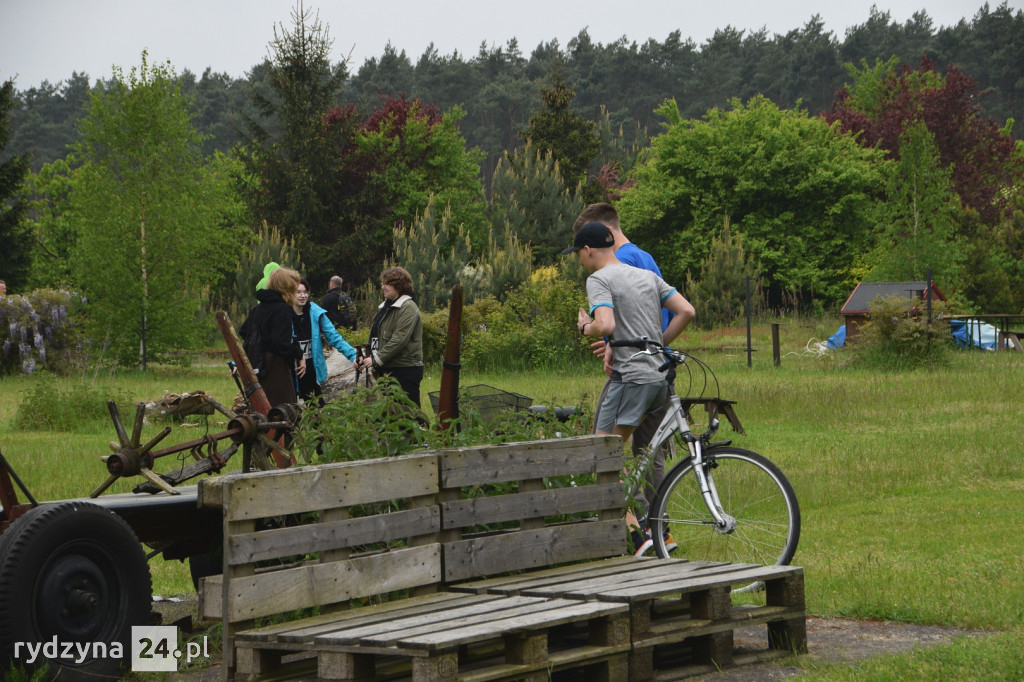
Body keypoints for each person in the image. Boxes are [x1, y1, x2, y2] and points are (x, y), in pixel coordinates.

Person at [563, 222, 695, 553]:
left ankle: (638, 536)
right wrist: (657, 345)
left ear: (588, 250)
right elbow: (686, 311)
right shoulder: (647, 277)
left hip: (630, 380)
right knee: (648, 456)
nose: (580, 261)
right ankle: (661, 531)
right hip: (659, 379)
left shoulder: (598, 279)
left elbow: (605, 324)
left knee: (601, 452)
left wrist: (584, 327)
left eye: (578, 254)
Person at [358, 266, 424, 407]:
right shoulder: (385, 307)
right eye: (382, 283)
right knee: (389, 416)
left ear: (398, 285)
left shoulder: (408, 307)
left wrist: (376, 360)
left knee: (409, 416)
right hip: (387, 370)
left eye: (386, 283)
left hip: (405, 370)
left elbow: (399, 340)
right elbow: (376, 339)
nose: (383, 287)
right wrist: (365, 357)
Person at [239, 267, 306, 407]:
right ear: (286, 288)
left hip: (258, 363)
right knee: (283, 409)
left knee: (262, 407)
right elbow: (281, 344)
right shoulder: (282, 309)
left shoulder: (259, 308)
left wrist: (260, 344)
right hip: (274, 367)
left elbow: (244, 331)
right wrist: (299, 354)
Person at [292, 277, 358, 404]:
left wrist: (353, 355)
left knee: (315, 410)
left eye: (305, 292)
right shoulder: (284, 314)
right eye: (298, 292)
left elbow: (334, 337)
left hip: (312, 370)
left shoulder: (315, 312)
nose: (302, 295)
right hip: (291, 372)